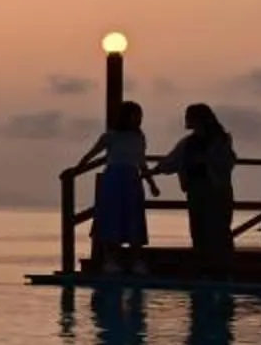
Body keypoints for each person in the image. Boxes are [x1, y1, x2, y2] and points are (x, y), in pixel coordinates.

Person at [159, 103, 238, 272]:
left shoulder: (221, 139)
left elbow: (227, 162)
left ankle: (224, 268)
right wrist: (154, 171)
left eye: (189, 116)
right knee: (199, 229)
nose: (186, 120)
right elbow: (171, 161)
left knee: (219, 229)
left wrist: (205, 161)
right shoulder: (188, 143)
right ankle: (204, 268)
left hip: (216, 189)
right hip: (196, 188)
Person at [91, 100, 157, 273]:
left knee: (134, 218)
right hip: (113, 179)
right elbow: (93, 153)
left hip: (132, 178)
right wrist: (77, 168)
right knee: (110, 218)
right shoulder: (111, 136)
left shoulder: (139, 137)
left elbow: (142, 162)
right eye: (135, 115)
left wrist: (151, 183)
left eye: (139, 116)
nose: (138, 119)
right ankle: (110, 260)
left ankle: (136, 261)